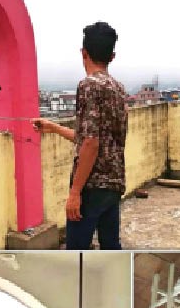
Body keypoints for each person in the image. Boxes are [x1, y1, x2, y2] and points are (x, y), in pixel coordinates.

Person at [33, 22, 128, 250]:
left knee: (76, 251)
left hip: (92, 186)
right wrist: (53, 127)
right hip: (114, 183)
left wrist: (75, 192)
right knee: (111, 247)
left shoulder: (88, 85)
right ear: (112, 56)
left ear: (83, 52)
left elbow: (91, 143)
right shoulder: (118, 87)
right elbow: (92, 137)